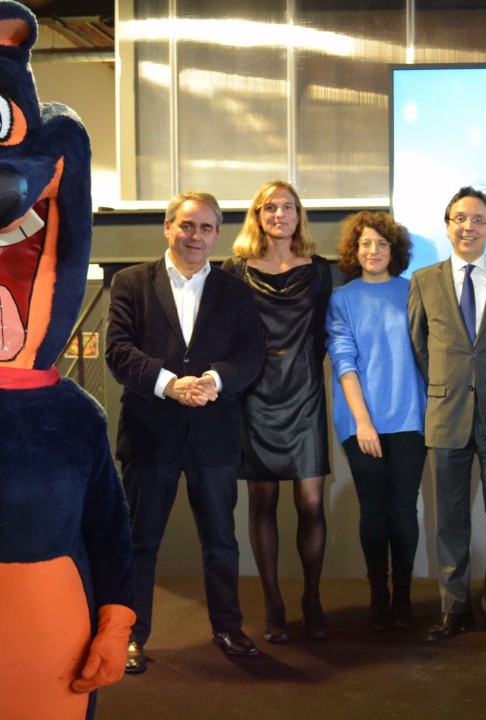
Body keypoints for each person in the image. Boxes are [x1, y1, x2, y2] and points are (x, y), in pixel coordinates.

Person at [105, 190, 266, 673]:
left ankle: (227, 627)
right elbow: (117, 350)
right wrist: (171, 384)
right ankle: (130, 636)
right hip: (150, 433)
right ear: (167, 227)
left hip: (213, 435)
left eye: (207, 228)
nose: (196, 236)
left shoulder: (237, 291)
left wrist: (212, 382)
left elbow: (251, 355)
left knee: (221, 540)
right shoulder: (132, 282)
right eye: (187, 226)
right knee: (139, 542)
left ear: (218, 235)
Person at [407, 187, 486, 643]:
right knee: (450, 520)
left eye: (478, 220)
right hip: (446, 415)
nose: (469, 226)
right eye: (460, 218)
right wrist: (444, 385)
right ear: (447, 225)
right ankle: (453, 609)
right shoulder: (424, 280)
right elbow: (419, 345)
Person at [223, 180, 335, 642]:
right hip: (255, 395)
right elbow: (226, 333)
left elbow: (327, 333)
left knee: (310, 503)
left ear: (298, 216)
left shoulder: (322, 270)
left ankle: (312, 598)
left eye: (288, 207)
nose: (280, 214)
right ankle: (273, 605)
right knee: (262, 501)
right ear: (258, 214)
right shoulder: (233, 269)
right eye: (271, 207)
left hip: (305, 391)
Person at [326, 211, 428, 630]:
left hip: (409, 418)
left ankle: (402, 596)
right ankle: (377, 596)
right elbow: (344, 361)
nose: (373, 251)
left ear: (394, 251)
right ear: (355, 250)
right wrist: (364, 422)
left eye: (381, 244)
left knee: (403, 511)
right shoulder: (342, 299)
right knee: (373, 511)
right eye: (365, 243)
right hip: (359, 421)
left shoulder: (414, 292)